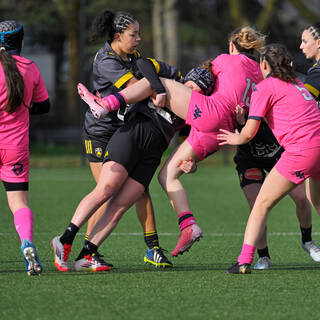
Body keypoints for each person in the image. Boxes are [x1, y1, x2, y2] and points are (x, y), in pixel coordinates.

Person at [78, 26, 265, 257]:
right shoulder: (259, 75)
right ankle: (188, 225)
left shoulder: (225, 60)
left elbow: (203, 73)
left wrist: (179, 86)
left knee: (160, 85)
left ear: (231, 46)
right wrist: (195, 159)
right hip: (224, 131)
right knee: (167, 175)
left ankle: (106, 104)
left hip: (210, 115)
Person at [52, 63, 214, 271]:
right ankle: (64, 240)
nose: (193, 91)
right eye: (192, 85)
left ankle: (86, 255)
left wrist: (191, 165)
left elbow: (188, 145)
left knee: (120, 207)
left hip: (152, 156)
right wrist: (159, 88)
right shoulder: (168, 85)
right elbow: (143, 64)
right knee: (106, 189)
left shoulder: (192, 111)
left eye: (200, 90)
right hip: (131, 137)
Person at [78, 10, 173, 269]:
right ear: (118, 36)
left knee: (140, 188)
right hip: (100, 132)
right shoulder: (106, 60)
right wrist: (157, 88)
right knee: (105, 193)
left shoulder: (132, 55)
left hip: (123, 130)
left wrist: (157, 83)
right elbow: (137, 87)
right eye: (134, 34)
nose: (139, 39)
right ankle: (88, 254)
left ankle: (153, 248)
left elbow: (149, 76)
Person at [217, 43, 320, 274]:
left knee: (261, 205)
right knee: (317, 203)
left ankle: (244, 261)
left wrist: (237, 138)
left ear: (263, 64)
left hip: (301, 152)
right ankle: (307, 243)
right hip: (318, 148)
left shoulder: (265, 87)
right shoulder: (298, 83)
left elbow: (249, 131)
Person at [0, 20, 50, 276]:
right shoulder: (30, 68)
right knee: (19, 203)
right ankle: (27, 243)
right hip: (15, 148)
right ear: (21, 41)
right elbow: (44, 106)